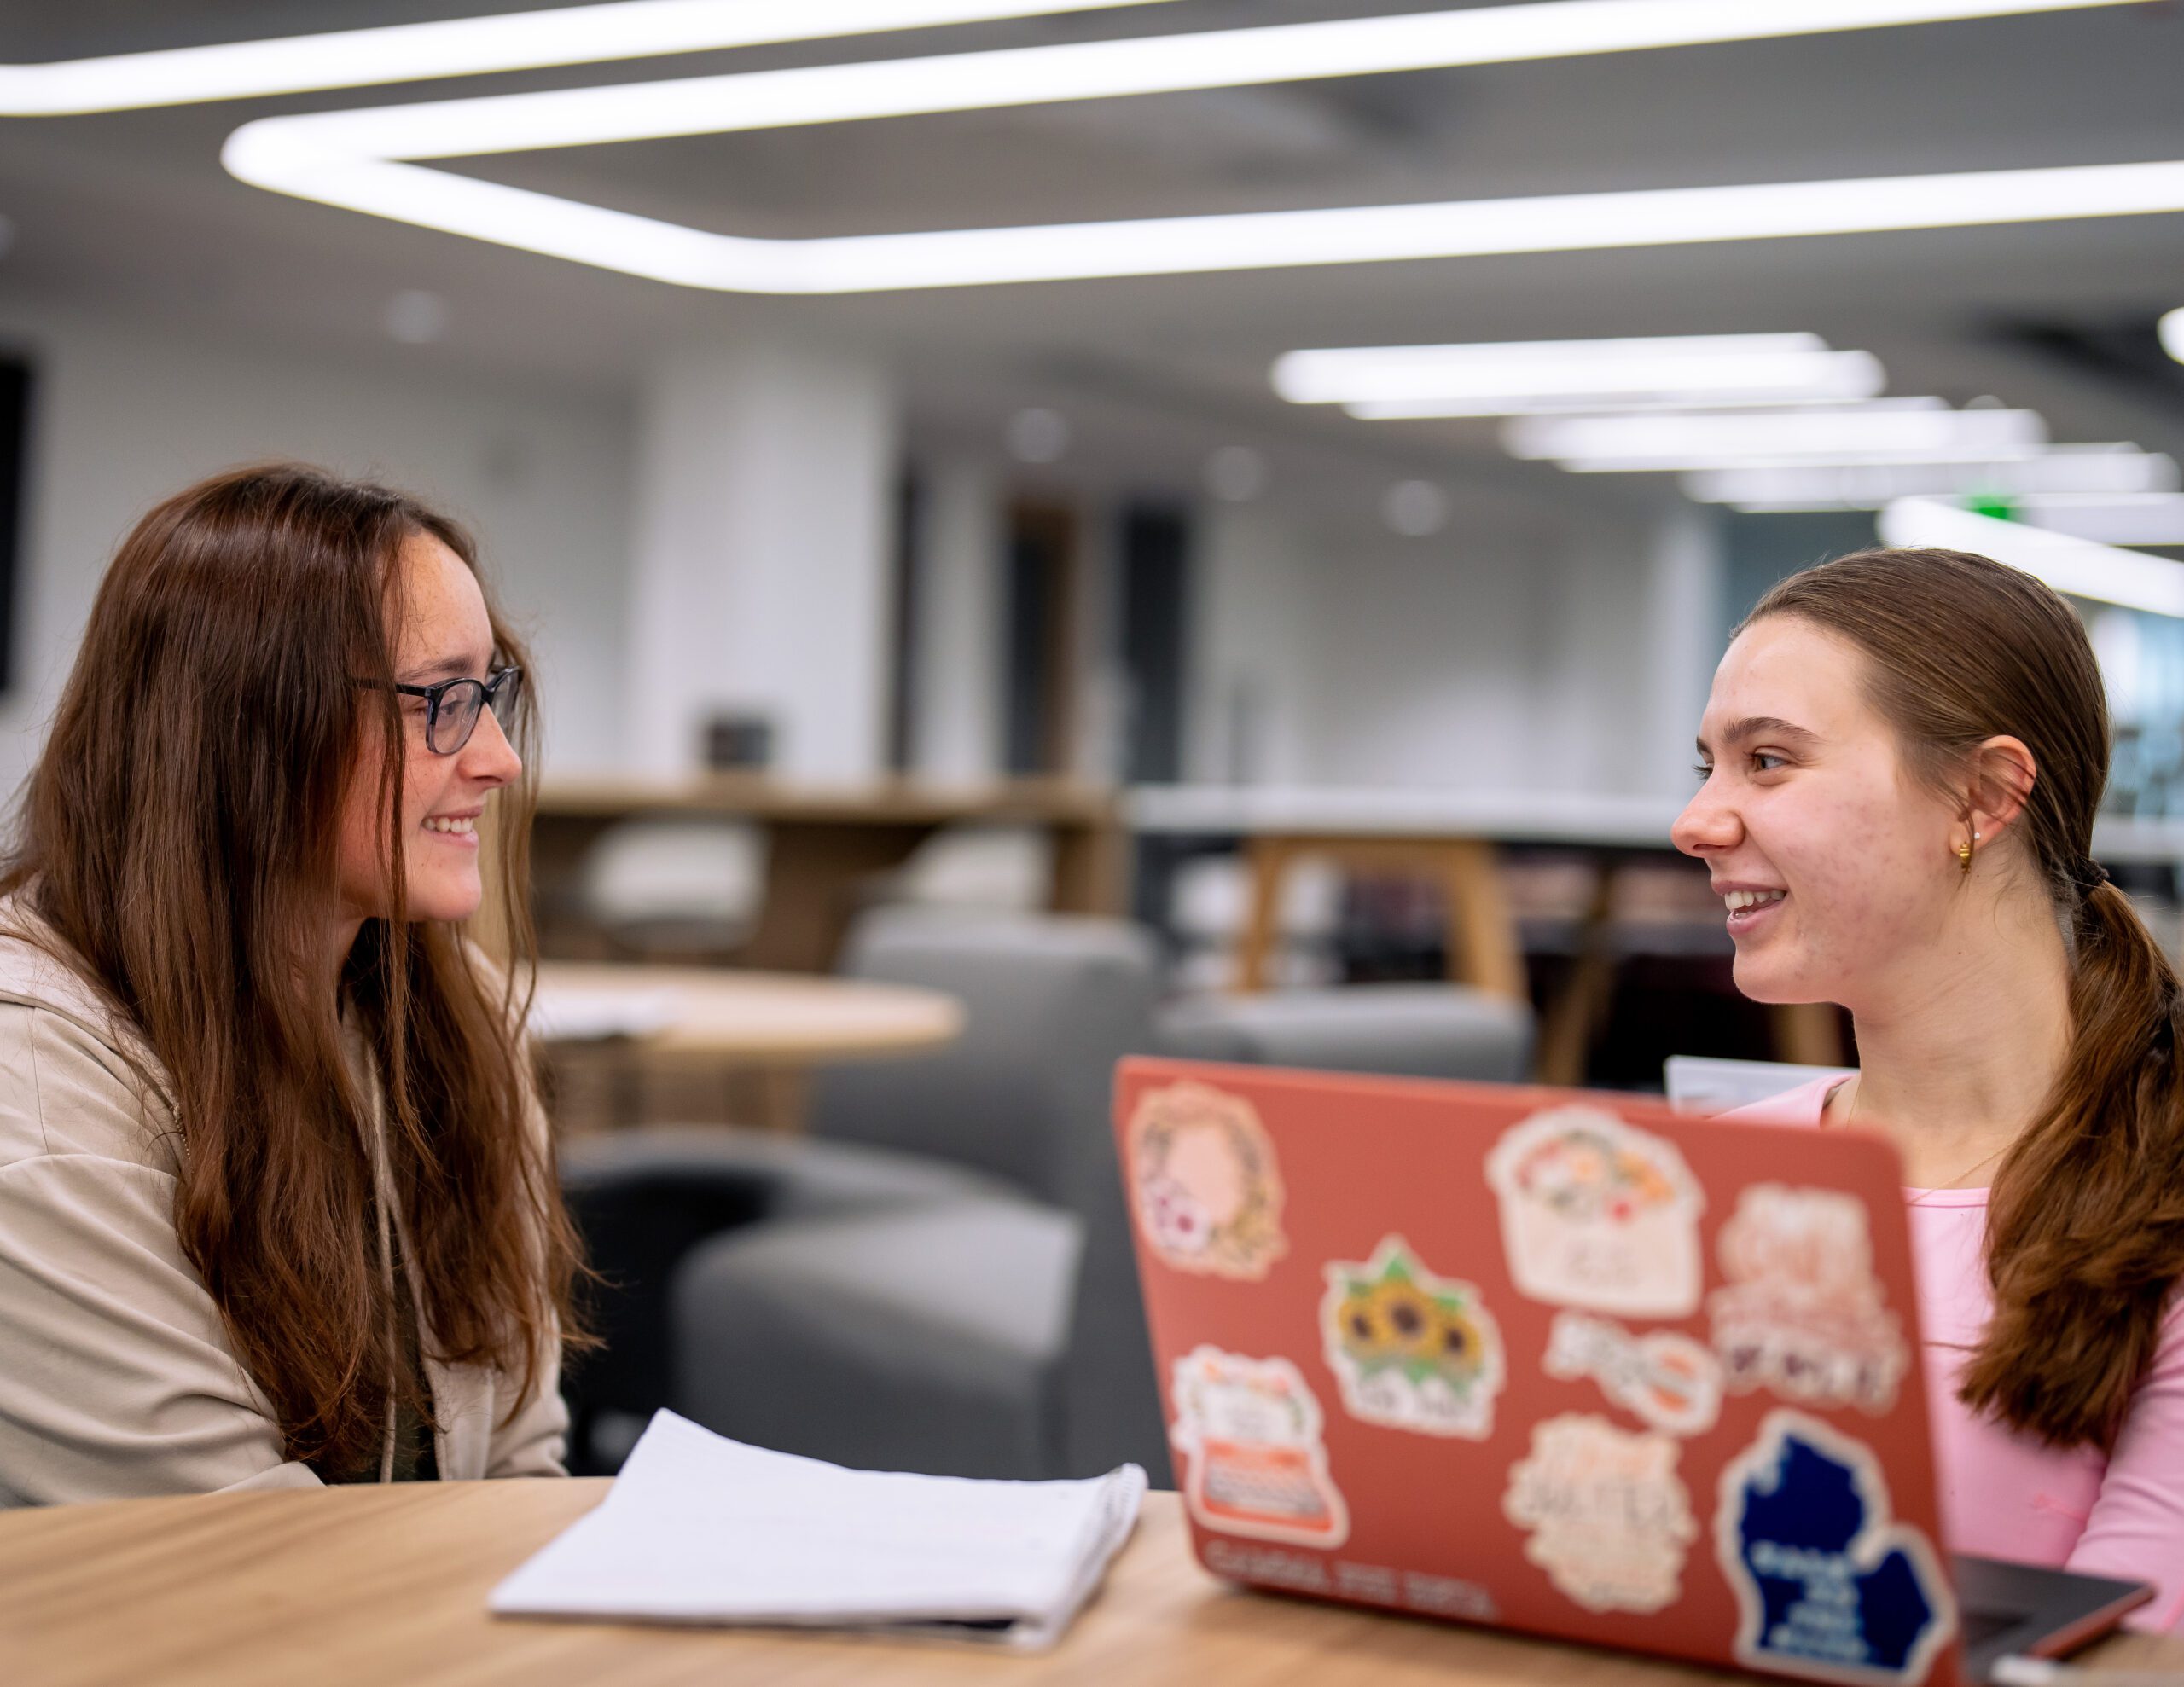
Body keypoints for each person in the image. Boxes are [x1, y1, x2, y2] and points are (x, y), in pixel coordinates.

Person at [0, 463, 584, 1503]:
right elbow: (228, 1554)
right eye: (443, 699)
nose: (498, 757)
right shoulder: (32, 1079)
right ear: (251, 728)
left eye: (490, 693)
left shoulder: (459, 1016)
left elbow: (517, 1469)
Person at [1674, 546, 2184, 1628]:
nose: (1698, 823)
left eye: (1766, 762)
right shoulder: (1721, 1171)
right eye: (1706, 767)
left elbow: (2127, 1654)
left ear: (1982, 794)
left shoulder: (2159, 1186)